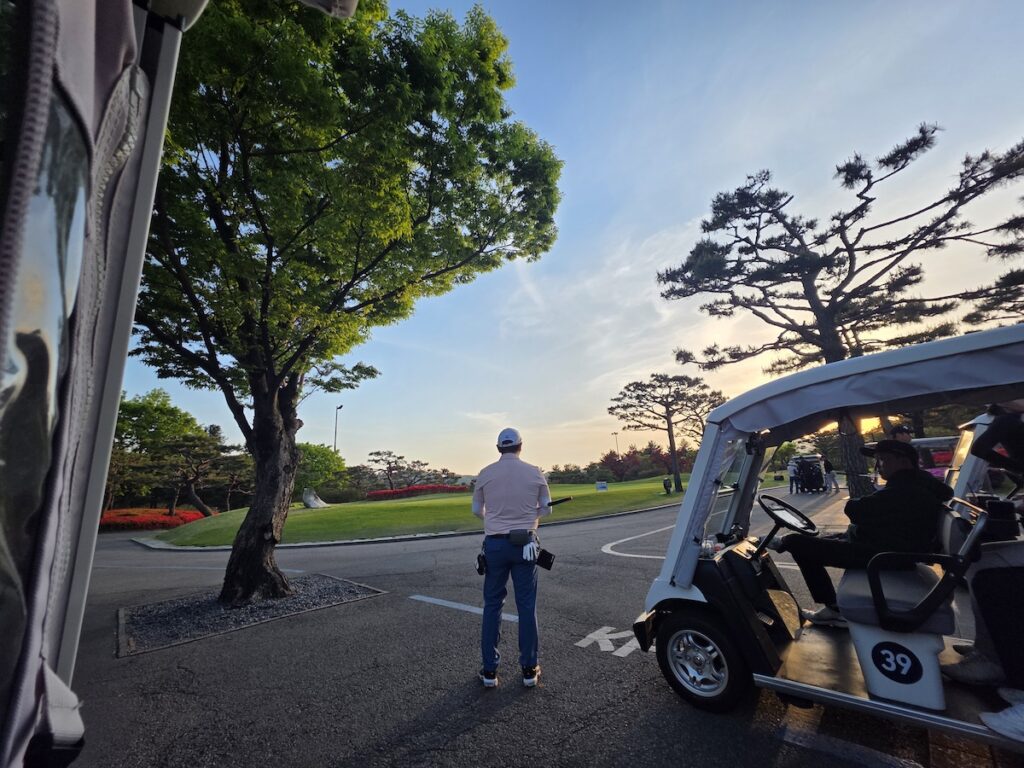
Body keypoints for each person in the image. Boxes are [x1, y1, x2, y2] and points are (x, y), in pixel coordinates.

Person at [771, 440, 951, 627]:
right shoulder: (917, 484)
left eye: (883, 460)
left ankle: (832, 607)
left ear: (904, 462)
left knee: (798, 543)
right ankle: (830, 606)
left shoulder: (906, 487)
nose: (878, 465)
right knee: (813, 543)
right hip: (888, 548)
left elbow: (857, 510)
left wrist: (856, 502)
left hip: (882, 555)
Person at [941, 410, 1024, 688]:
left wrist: (1017, 466)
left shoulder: (1007, 419)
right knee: (981, 563)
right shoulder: (1013, 420)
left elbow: (979, 447)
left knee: (987, 572)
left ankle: (995, 662)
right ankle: (986, 646)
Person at [472, 427, 552, 688]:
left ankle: (489, 671)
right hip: (525, 544)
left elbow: (477, 510)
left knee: (492, 606)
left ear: (498, 448)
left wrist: (495, 520)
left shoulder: (485, 474)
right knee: (526, 606)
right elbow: (546, 510)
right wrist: (531, 514)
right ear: (520, 446)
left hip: (495, 545)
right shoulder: (535, 472)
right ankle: (529, 669)